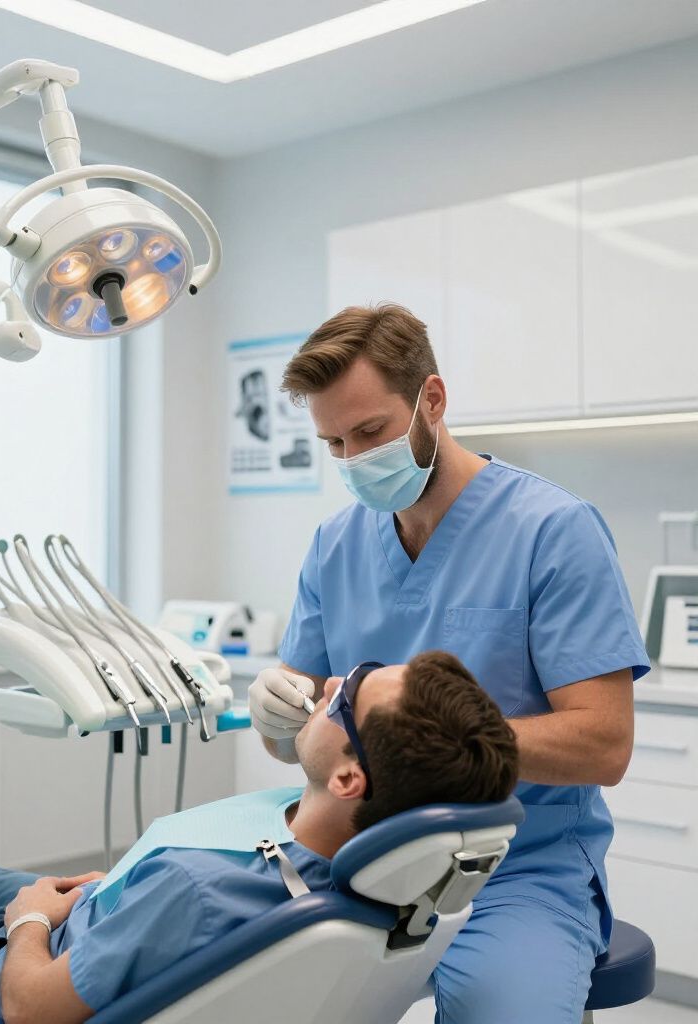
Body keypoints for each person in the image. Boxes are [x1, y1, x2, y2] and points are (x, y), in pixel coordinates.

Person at [248, 303, 648, 1024]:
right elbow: (302, 736)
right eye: (334, 442)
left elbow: (604, 744)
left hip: (513, 869)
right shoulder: (336, 545)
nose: (353, 459)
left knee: (499, 1008)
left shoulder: (552, 530)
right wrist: (277, 718)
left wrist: (429, 743)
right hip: (357, 858)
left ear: (431, 399)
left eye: (371, 431)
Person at [0, 651, 517, 1023]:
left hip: (2, 963)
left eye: (346, 697)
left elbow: (29, 1007)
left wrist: (28, 924)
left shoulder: (195, 892)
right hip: (103, 915)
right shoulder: (348, 875)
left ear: (350, 777)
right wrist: (117, 894)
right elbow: (170, 908)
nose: (329, 685)